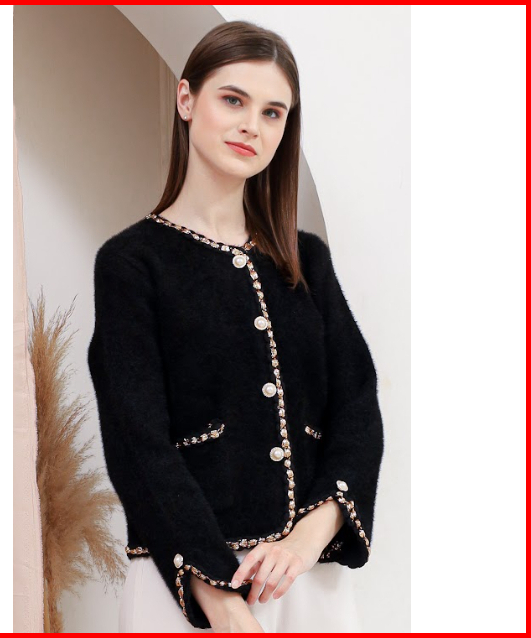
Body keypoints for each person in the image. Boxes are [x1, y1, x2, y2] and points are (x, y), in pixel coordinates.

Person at [87, 20, 384, 633]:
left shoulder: (306, 261)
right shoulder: (132, 264)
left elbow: (357, 405)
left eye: (273, 112)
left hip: (306, 583)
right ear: (186, 99)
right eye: (233, 100)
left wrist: (309, 536)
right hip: (187, 586)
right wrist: (220, 600)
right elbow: (137, 442)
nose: (253, 125)